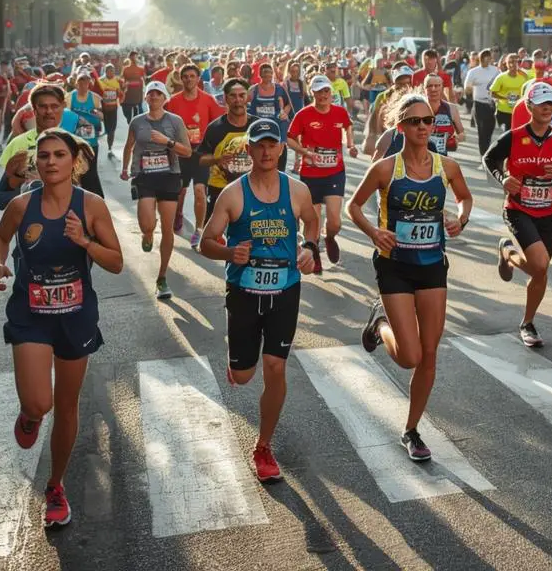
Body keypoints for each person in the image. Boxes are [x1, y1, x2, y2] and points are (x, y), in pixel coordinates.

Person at [0, 129, 122, 528]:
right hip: (31, 314)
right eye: (43, 155)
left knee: (66, 406)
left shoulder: (92, 206)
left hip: (75, 315)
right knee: (38, 404)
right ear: (37, 162)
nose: (50, 162)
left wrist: (84, 241)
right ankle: (29, 417)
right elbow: (0, 239)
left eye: (59, 155)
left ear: (74, 161)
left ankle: (55, 486)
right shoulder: (20, 206)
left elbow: (115, 262)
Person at [350, 94, 472, 462]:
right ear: (400, 127)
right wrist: (374, 232)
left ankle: (412, 429)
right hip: (395, 265)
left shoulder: (446, 166)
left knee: (430, 354)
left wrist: (459, 220)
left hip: (433, 264)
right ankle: (380, 324)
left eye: (428, 120)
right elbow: (355, 205)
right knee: (409, 357)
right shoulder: (386, 169)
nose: (422, 126)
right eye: (414, 120)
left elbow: (465, 199)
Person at [198, 118, 318, 482]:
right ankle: (236, 366)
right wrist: (229, 252)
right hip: (245, 293)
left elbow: (312, 223)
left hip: (285, 289)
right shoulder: (233, 194)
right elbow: (206, 241)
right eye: (259, 145)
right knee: (245, 374)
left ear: (282, 148)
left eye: (272, 144)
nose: (266, 151)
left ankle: (263, 446)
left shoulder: (297, 191)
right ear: (248, 150)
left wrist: (310, 247)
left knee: (276, 367)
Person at [483, 81, 552, 347]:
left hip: (547, 213)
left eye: (551, 104)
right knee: (540, 264)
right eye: (541, 104)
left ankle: (527, 321)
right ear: (529, 106)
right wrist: (503, 178)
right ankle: (526, 322)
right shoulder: (514, 136)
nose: (547, 109)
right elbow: (489, 159)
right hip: (517, 210)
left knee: (540, 273)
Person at [122, 82, 191, 298]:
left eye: (158, 93)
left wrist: (167, 141)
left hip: (169, 176)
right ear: (145, 98)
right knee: (146, 223)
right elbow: (129, 146)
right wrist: (125, 168)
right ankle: (148, 233)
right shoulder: (137, 121)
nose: (154, 96)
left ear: (165, 98)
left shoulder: (175, 121)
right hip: (145, 177)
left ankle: (162, 278)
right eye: (150, 93)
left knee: (168, 228)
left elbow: (187, 151)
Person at [289, 74, 356, 270]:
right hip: (310, 174)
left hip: (335, 172)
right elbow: (289, 138)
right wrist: (304, 152)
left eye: (326, 91)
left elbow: (348, 126)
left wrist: (351, 144)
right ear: (313, 93)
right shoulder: (303, 114)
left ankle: (330, 237)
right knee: (313, 222)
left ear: (331, 92)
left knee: (335, 220)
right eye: (319, 92)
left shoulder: (339, 112)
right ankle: (314, 252)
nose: (323, 95)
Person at [166, 63, 224, 245]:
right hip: (181, 153)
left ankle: (199, 230)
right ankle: (178, 214)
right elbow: (165, 125)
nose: (189, 79)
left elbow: (219, 123)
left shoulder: (208, 100)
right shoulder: (173, 102)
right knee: (180, 192)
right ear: (181, 79)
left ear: (198, 78)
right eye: (185, 76)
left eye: (192, 76)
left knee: (200, 191)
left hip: (201, 153)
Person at [199, 78, 254, 235]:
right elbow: (201, 159)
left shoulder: (258, 126)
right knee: (211, 236)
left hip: (251, 188)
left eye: (242, 95)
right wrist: (217, 160)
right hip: (220, 189)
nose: (238, 100)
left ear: (247, 97)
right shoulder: (215, 128)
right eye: (233, 96)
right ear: (225, 98)